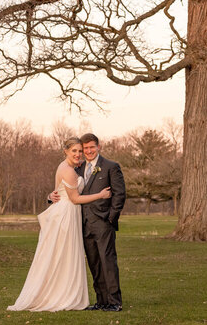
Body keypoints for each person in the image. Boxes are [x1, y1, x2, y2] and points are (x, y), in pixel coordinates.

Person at [7, 137, 111, 312]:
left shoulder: (68, 167)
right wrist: (100, 195)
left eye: (80, 151)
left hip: (64, 211)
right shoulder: (68, 171)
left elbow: (57, 192)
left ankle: (61, 292)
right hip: (66, 214)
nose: (78, 154)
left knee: (60, 255)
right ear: (65, 151)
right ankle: (62, 296)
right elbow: (75, 198)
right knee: (64, 254)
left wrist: (50, 196)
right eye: (74, 151)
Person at [49, 133, 126, 312]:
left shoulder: (110, 167)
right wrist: (49, 196)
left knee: (107, 262)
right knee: (94, 264)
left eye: (92, 147)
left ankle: (115, 302)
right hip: (83, 223)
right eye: (85, 149)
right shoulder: (78, 167)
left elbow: (119, 194)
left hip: (103, 223)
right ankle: (101, 301)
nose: (88, 151)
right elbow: (65, 188)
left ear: (98, 147)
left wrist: (110, 218)